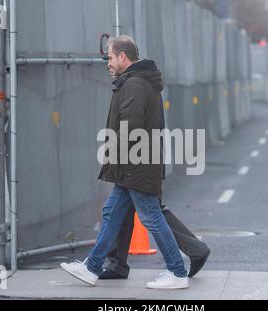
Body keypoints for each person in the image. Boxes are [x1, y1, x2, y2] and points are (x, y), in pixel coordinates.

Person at [61, 35, 189, 289]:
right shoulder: (138, 81)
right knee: (111, 213)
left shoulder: (134, 84)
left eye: (109, 57)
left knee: (151, 216)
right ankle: (92, 267)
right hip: (135, 164)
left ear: (122, 57)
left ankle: (177, 271)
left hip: (136, 165)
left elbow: (130, 129)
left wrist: (117, 160)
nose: (107, 63)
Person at [99, 203, 210, 280]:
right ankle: (116, 264)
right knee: (123, 208)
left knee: (150, 209)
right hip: (135, 172)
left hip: (136, 171)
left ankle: (179, 267)